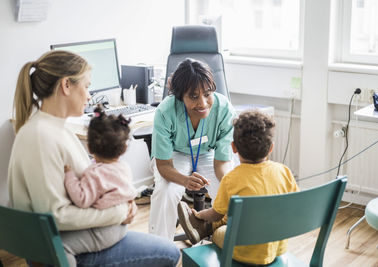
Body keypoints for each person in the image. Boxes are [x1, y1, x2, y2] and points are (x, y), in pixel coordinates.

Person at [8, 50, 180, 266]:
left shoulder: (56, 130)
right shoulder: (42, 137)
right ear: (66, 86)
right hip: (64, 250)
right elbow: (54, 215)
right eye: (87, 86)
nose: (90, 96)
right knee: (170, 253)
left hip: (79, 237)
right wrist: (118, 212)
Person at [177, 110, 299, 265]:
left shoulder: (231, 178)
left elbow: (216, 213)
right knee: (235, 215)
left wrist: (200, 214)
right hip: (276, 246)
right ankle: (204, 227)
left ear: (233, 148)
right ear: (271, 148)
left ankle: (204, 227)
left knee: (221, 229)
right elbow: (294, 206)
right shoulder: (284, 171)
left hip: (243, 249)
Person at [149, 58, 236, 240]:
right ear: (180, 97)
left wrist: (228, 185)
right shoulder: (166, 111)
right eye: (194, 96)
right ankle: (158, 248)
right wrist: (185, 180)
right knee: (165, 192)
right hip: (173, 157)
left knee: (231, 189)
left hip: (208, 154)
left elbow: (222, 161)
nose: (203, 103)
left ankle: (232, 242)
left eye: (208, 94)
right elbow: (163, 164)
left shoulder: (224, 109)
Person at [62, 106, 137, 266]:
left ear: (88, 147)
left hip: (104, 231)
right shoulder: (124, 167)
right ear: (123, 149)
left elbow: (82, 200)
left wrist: (69, 176)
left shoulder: (94, 173)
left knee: (61, 247)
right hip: (121, 226)